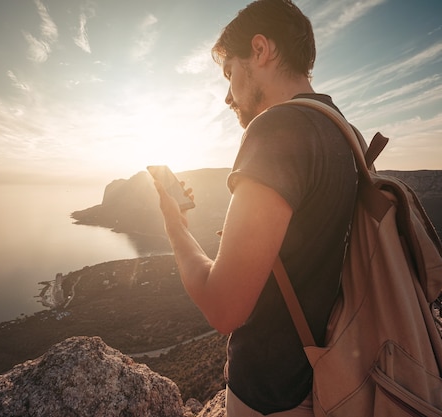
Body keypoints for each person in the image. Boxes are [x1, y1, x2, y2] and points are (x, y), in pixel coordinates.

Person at [153, 0, 358, 415]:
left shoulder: (277, 128)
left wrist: (175, 227)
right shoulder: (342, 130)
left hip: (272, 394)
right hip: (334, 373)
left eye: (229, 73)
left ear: (261, 50)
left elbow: (224, 307)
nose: (228, 96)